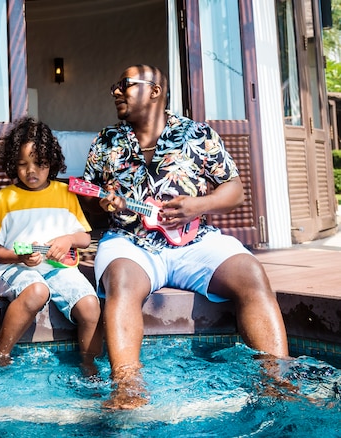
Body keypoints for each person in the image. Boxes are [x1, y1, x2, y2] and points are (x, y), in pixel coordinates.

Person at [82, 64, 289, 409]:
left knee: (252, 274)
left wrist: (199, 205)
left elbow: (234, 191)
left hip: (196, 240)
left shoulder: (198, 134)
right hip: (130, 241)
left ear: (155, 91)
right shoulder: (106, 142)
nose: (116, 92)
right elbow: (87, 204)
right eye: (115, 86)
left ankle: (275, 381)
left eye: (125, 85)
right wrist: (99, 203)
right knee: (121, 281)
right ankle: (128, 388)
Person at [0, 116, 102, 376]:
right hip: (16, 268)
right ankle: (0, 352)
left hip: (59, 268)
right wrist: (18, 257)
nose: (31, 171)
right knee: (37, 291)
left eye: (39, 163)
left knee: (91, 305)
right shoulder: (5, 198)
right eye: (23, 164)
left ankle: (89, 365)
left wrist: (68, 239)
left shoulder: (64, 194)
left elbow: (84, 238)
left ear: (52, 162)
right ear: (13, 164)